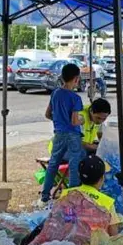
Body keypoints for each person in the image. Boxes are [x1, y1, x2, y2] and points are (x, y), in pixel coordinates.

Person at [41, 63, 85, 203]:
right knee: (74, 165)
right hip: (73, 135)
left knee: (53, 164)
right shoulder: (75, 98)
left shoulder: (55, 93)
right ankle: (71, 198)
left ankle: (45, 195)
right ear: (76, 79)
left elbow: (48, 114)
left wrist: (59, 119)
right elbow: (74, 121)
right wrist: (82, 120)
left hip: (59, 134)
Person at [59, 154, 122, 234]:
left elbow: (62, 221)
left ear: (79, 175)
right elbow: (113, 233)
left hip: (70, 239)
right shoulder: (107, 202)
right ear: (102, 178)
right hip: (96, 241)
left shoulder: (66, 194)